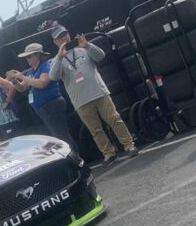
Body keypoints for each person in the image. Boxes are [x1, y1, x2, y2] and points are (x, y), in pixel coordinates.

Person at [49, 25, 138, 166]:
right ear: (55, 42)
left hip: (99, 92)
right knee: (95, 129)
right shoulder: (55, 61)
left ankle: (129, 144)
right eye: (60, 37)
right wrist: (60, 56)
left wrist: (88, 45)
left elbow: (101, 56)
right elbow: (53, 77)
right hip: (81, 101)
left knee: (114, 119)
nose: (64, 38)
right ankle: (108, 153)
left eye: (65, 34)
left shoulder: (83, 48)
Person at [9, 43, 75, 148]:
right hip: (44, 109)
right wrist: (15, 81)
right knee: (58, 137)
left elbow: (42, 83)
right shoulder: (31, 71)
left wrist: (22, 76)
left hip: (52, 106)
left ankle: (76, 158)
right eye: (26, 57)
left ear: (37, 55)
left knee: (62, 137)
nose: (27, 59)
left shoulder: (46, 66)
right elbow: (23, 88)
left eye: (29, 56)